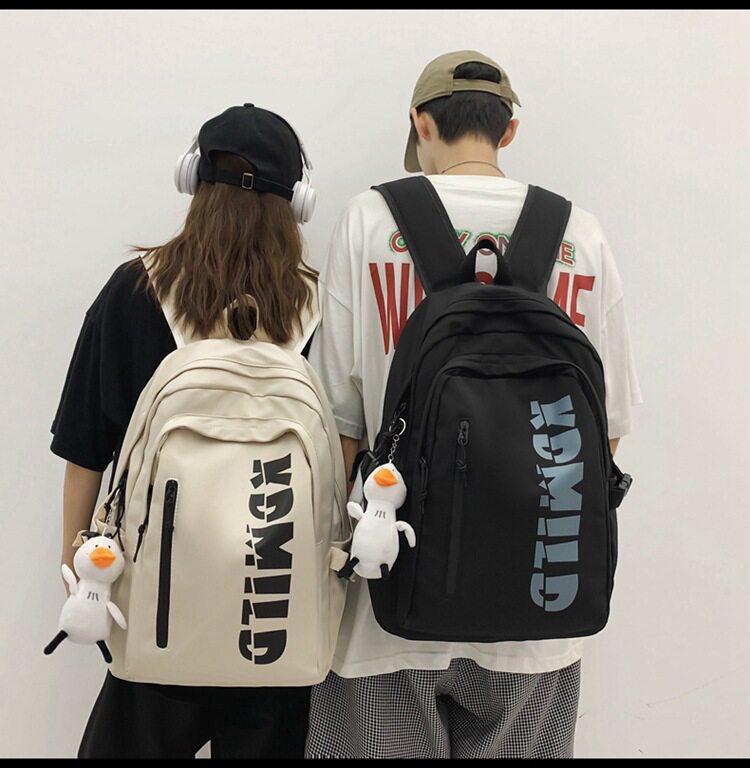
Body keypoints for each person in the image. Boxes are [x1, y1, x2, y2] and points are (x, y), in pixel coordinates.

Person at [305, 50, 642, 759]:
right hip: (540, 609)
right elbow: (605, 434)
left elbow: (338, 426)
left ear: (420, 123)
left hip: (386, 603)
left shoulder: (369, 221)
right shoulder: (580, 234)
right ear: (508, 130)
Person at [50, 103, 319, 758]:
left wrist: (75, 564)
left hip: (158, 602)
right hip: (274, 611)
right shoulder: (315, 304)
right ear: (297, 203)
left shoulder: (136, 290)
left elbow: (85, 448)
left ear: (192, 178)